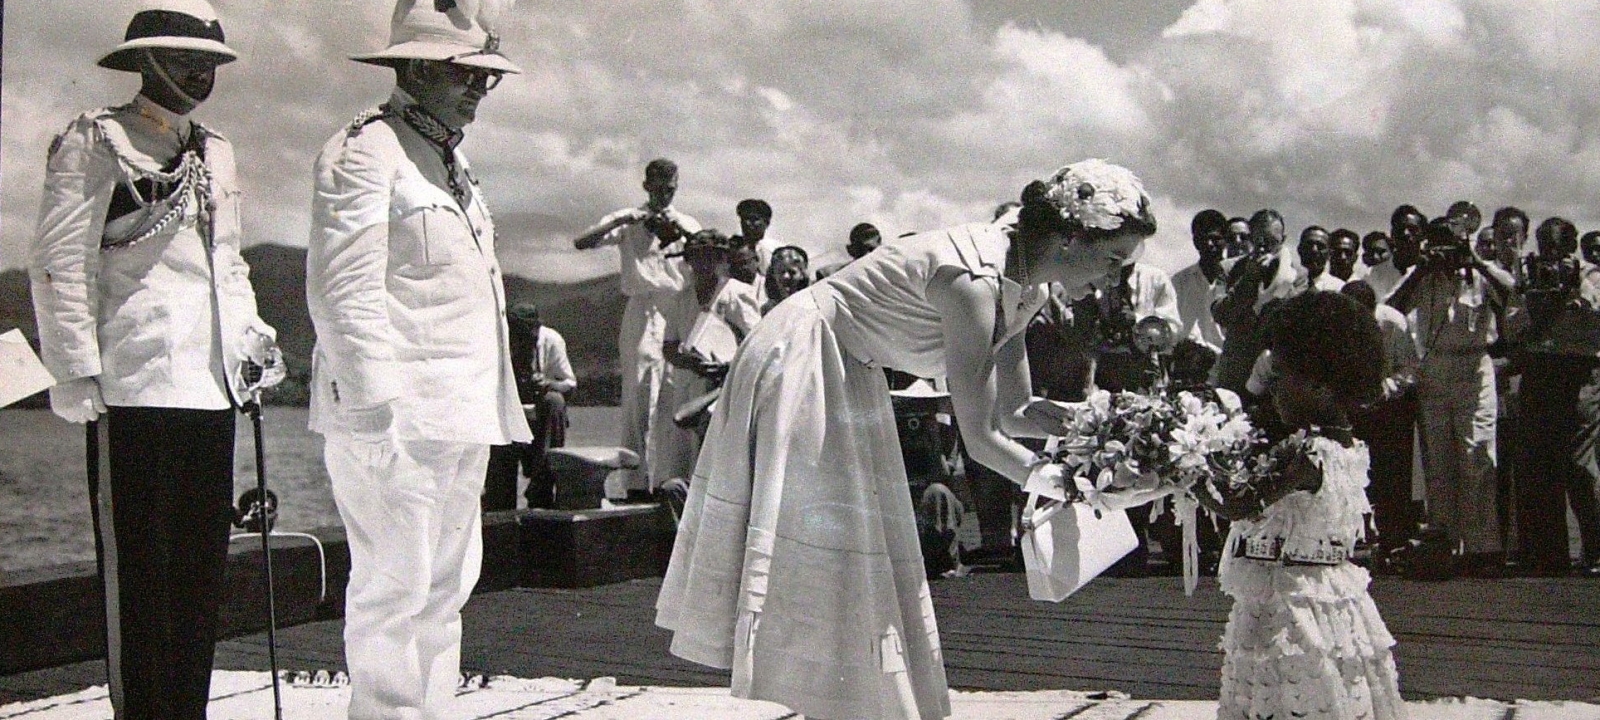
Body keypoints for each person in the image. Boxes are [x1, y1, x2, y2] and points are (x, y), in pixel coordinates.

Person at [657, 159, 1157, 720]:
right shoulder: (972, 278)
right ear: (1070, 237)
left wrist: (1110, 432)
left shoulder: (1029, 287)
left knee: (859, 552)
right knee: (826, 545)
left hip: (848, 363)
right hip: (802, 354)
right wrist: (1073, 486)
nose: (1115, 277)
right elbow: (982, 436)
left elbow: (1017, 412)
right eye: (1113, 260)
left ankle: (853, 705)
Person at [27, 4, 283, 716]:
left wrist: (252, 343)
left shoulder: (218, 150)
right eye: (183, 58)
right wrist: (76, 370)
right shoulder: (97, 140)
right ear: (145, 63)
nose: (201, 74)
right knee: (139, 577)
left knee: (201, 575)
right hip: (133, 384)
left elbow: (225, 265)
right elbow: (58, 263)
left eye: (209, 62)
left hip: (208, 388)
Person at [305, 2, 529, 717]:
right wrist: (371, 412)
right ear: (419, 69)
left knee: (443, 591)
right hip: (396, 417)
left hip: (460, 411)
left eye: (484, 80)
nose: (477, 91)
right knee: (393, 591)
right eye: (466, 76)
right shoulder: (367, 151)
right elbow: (343, 288)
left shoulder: (447, 160)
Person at [1198, 290, 1403, 720]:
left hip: (1295, 604)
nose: (1272, 390)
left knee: (1295, 693)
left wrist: (1190, 471)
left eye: (1282, 376)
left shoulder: (1308, 456)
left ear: (1320, 383)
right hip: (1323, 595)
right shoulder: (1345, 445)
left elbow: (1241, 505)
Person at [1388, 218, 1516, 576]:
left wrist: (1474, 260)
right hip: (1434, 367)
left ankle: (1481, 547)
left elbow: (1513, 294)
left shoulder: (1479, 274)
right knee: (1438, 460)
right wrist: (1420, 269)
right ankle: (1442, 542)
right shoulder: (1423, 275)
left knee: (1477, 454)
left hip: (1473, 367)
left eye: (1451, 243)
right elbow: (1390, 306)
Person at [573, 159, 701, 499]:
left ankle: (668, 481)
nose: (663, 195)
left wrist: (681, 233)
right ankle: (633, 482)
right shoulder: (629, 219)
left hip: (677, 308)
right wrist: (622, 220)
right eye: (657, 188)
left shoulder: (686, 222)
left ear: (677, 186)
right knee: (639, 392)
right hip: (643, 308)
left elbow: (707, 255)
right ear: (646, 186)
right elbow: (582, 242)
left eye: (669, 189)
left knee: (675, 392)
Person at [1511, 217, 1600, 576]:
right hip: (1540, 372)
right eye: (1544, 246)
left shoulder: (1590, 276)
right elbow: (1514, 325)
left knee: (1580, 467)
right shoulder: (1527, 275)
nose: (1551, 255)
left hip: (1577, 375)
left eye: (1558, 247)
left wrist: (1574, 295)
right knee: (1540, 468)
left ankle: (1595, 549)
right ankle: (1550, 555)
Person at [652, 230, 762, 485]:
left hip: (722, 386)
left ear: (723, 260)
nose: (703, 264)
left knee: (716, 453)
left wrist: (727, 367)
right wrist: (688, 362)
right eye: (697, 258)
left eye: (710, 257)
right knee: (682, 454)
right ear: (688, 261)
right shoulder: (681, 299)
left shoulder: (737, 294)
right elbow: (669, 347)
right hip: (686, 384)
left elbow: (756, 342)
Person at [1342, 281, 1420, 563]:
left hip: (1389, 410)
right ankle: (1353, 541)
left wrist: (1387, 387)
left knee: (1391, 479)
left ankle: (1393, 542)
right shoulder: (1336, 323)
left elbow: (1411, 367)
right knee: (1351, 477)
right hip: (1352, 409)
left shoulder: (1392, 322)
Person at [485, 303, 577, 511]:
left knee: (555, 401)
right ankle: (499, 499)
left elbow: (569, 384)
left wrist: (547, 384)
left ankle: (541, 488)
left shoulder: (552, 341)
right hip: (507, 415)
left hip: (539, 419)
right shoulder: (496, 342)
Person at [1213, 209, 1303, 394]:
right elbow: (1220, 314)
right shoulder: (1230, 269)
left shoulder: (1299, 276)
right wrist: (1249, 279)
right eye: (1258, 240)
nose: (1263, 248)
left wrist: (1283, 281)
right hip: (1235, 373)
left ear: (1283, 240)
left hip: (1273, 376)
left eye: (1271, 242)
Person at [1171, 209, 1228, 355]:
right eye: (1202, 238)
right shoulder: (1178, 282)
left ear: (1225, 240)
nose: (1209, 244)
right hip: (1189, 366)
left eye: (1215, 238)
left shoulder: (1236, 280)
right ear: (1195, 242)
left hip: (1227, 366)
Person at [814, 221, 883, 280]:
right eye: (862, 249)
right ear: (852, 251)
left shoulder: (886, 266)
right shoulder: (839, 271)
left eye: (871, 249)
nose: (868, 254)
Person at [734, 198, 781, 274]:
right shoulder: (731, 249)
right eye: (744, 218)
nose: (747, 223)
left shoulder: (777, 252)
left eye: (754, 219)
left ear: (767, 223)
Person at [761, 245, 811, 314]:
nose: (786, 276)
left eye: (792, 272)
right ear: (773, 274)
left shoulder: (810, 305)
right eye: (781, 271)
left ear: (802, 274)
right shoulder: (768, 311)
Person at [1298, 225, 1345, 292]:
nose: (1314, 250)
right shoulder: (1286, 285)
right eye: (1309, 245)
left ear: (1329, 254)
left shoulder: (1339, 288)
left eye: (1320, 246)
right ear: (1299, 250)